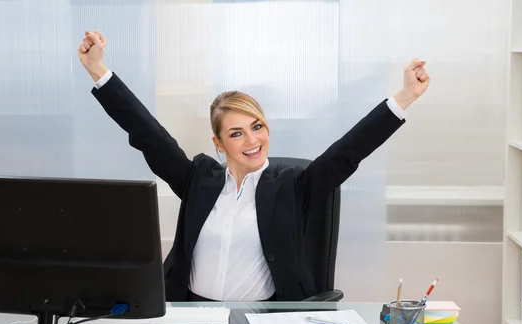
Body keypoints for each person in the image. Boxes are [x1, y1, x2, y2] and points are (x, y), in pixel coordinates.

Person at [78, 30, 430, 303]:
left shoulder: (294, 186)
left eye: (257, 126)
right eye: (236, 133)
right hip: (192, 319)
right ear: (219, 144)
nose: (252, 141)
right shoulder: (197, 179)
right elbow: (147, 133)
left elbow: (349, 150)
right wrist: (98, 70)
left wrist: (405, 97)